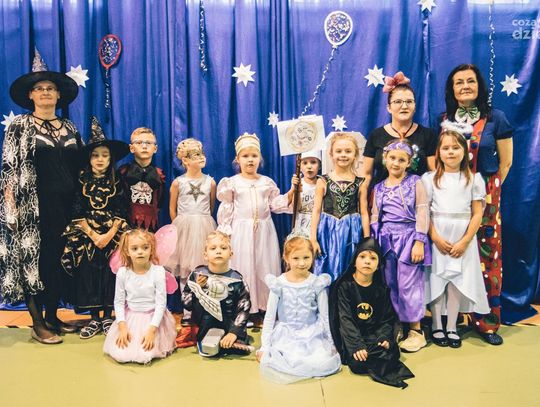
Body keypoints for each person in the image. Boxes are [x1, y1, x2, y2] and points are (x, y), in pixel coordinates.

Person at [0, 50, 82, 344]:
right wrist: (10, 206)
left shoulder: (70, 127)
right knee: (32, 260)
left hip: (66, 206)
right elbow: (9, 167)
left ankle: (53, 316)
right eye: (39, 88)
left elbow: (80, 166)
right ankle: (37, 323)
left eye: (50, 88)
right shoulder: (20, 126)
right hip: (32, 207)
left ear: (59, 95)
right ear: (31, 95)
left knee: (57, 261)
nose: (45, 92)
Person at [443, 63, 513, 346]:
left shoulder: (496, 118)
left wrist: (485, 193)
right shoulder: (443, 120)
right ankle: (456, 319)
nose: (465, 86)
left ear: (479, 85)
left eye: (470, 81)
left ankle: (487, 322)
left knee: (488, 257)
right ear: (452, 89)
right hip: (452, 196)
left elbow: (505, 163)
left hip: (486, 196)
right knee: (454, 256)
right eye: (459, 82)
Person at [61, 117, 130, 339]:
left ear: (111, 159)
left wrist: (109, 235)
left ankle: (109, 315)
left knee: (110, 274)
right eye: (95, 155)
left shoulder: (118, 180)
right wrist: (93, 235)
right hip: (86, 234)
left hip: (113, 234)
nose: (100, 159)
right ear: (89, 158)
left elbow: (122, 210)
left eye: (104, 155)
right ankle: (94, 318)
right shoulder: (80, 180)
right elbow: (76, 211)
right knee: (88, 273)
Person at [422, 123, 490, 348]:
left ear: (465, 151)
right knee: (437, 280)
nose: (450, 152)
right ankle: (436, 326)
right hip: (438, 235)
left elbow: (477, 213)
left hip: (462, 237)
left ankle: (452, 326)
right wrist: (435, 237)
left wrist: (465, 241)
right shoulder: (429, 179)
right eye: (445, 148)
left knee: (456, 282)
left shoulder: (474, 179)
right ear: (438, 152)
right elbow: (424, 211)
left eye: (455, 147)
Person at [216, 132, 295, 317]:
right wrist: (224, 231)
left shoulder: (266, 182)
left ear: (260, 158)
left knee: (264, 265)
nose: (250, 160)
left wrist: (292, 191)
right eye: (245, 156)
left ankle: (266, 306)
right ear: (238, 159)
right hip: (241, 231)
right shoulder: (232, 183)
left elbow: (275, 204)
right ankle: (244, 308)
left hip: (265, 231)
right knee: (244, 266)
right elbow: (227, 209)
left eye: (254, 156)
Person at [329, 238, 414, 389]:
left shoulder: (381, 289)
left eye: (373, 258)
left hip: (374, 336)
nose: (367, 261)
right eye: (362, 257)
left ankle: (374, 353)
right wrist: (356, 345)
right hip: (353, 337)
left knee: (392, 351)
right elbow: (345, 320)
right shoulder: (345, 287)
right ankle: (370, 354)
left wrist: (384, 337)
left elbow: (386, 319)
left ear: (378, 265)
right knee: (357, 362)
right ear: (354, 262)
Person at [370, 139, 430, 353]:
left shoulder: (415, 182)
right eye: (392, 158)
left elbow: (422, 211)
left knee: (409, 285)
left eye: (401, 160)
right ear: (385, 159)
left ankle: (416, 330)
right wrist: (374, 243)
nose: (396, 163)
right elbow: (375, 216)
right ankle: (396, 325)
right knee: (390, 284)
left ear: (408, 163)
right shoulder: (378, 188)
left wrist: (419, 241)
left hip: (408, 238)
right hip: (386, 241)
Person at [257, 236, 341, 383]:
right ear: (286, 258)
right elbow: (269, 317)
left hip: (311, 335)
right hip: (285, 335)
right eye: (296, 258)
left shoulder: (317, 283)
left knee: (318, 360)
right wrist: (265, 347)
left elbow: (324, 316)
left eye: (306, 257)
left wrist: (331, 343)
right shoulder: (279, 284)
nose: (302, 263)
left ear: (312, 257)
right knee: (286, 360)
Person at [103, 229, 177, 364]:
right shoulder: (123, 273)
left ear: (151, 249)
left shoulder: (158, 272)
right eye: (135, 248)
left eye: (145, 247)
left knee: (145, 354)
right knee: (121, 353)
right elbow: (118, 302)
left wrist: (152, 330)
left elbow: (161, 304)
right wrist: (122, 327)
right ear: (127, 251)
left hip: (153, 319)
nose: (140, 252)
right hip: (130, 317)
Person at [311, 132, 370, 282]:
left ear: (355, 155)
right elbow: (316, 211)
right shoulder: (323, 180)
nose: (343, 155)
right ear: (331, 154)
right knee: (328, 266)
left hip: (352, 231)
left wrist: (367, 240)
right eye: (339, 151)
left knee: (349, 266)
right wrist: (313, 238)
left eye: (348, 151)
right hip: (327, 231)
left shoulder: (360, 182)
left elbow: (364, 212)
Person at [182, 231, 252, 357]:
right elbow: (186, 303)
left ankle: (232, 338)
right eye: (213, 248)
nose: (218, 251)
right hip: (204, 325)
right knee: (209, 346)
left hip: (230, 324)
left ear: (231, 254)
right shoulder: (197, 274)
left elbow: (244, 308)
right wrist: (198, 289)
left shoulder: (237, 280)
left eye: (223, 248)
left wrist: (234, 332)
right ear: (205, 255)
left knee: (237, 347)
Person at [363, 72, 437, 187]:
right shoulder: (375, 135)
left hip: (417, 196)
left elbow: (433, 173)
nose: (404, 106)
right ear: (389, 107)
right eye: (398, 102)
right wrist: (363, 197)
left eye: (409, 101)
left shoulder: (428, 135)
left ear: (415, 107)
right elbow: (366, 176)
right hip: (381, 196)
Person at [166, 138, 216, 284]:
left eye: (202, 154)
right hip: (183, 227)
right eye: (196, 155)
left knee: (204, 264)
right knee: (184, 265)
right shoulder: (178, 183)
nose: (201, 157)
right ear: (185, 160)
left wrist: (202, 219)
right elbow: (172, 208)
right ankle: (186, 296)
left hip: (204, 225)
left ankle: (201, 295)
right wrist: (178, 226)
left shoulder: (211, 182)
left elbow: (211, 206)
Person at [118, 127, 165, 232]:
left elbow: (160, 201)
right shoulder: (123, 172)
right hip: (127, 226)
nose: (144, 146)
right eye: (139, 143)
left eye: (148, 143)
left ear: (155, 148)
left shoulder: (160, 175)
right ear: (131, 148)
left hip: (151, 226)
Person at [290, 150, 321, 237]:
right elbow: (295, 207)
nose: (309, 166)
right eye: (305, 163)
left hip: (317, 227)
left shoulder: (322, 183)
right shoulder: (298, 182)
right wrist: (296, 189)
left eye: (313, 162)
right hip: (300, 227)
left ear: (319, 165)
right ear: (300, 166)